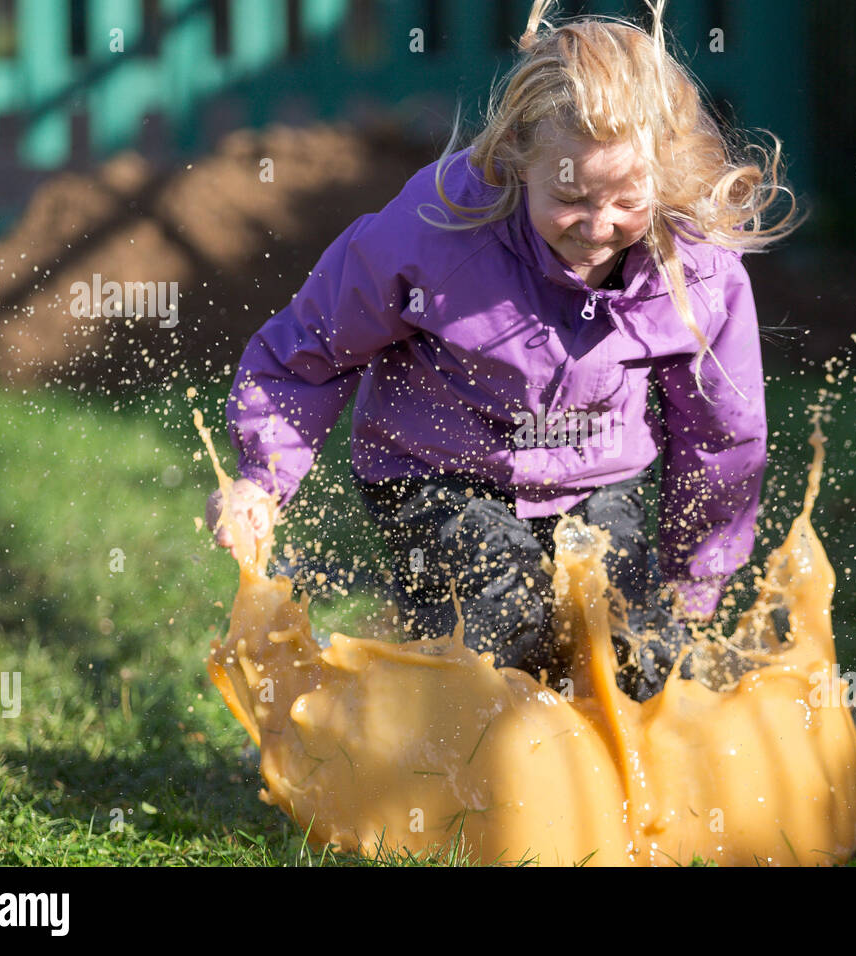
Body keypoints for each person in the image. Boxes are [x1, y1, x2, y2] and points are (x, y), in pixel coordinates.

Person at [206, 0, 801, 702]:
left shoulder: (695, 273)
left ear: (663, 176)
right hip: (436, 470)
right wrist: (261, 477)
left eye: (625, 201)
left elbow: (723, 436)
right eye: (569, 196)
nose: (597, 226)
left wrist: (694, 585)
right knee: (502, 623)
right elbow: (311, 348)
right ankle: (452, 777)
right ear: (520, 154)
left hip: (597, 478)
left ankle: (606, 794)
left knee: (639, 653)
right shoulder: (434, 232)